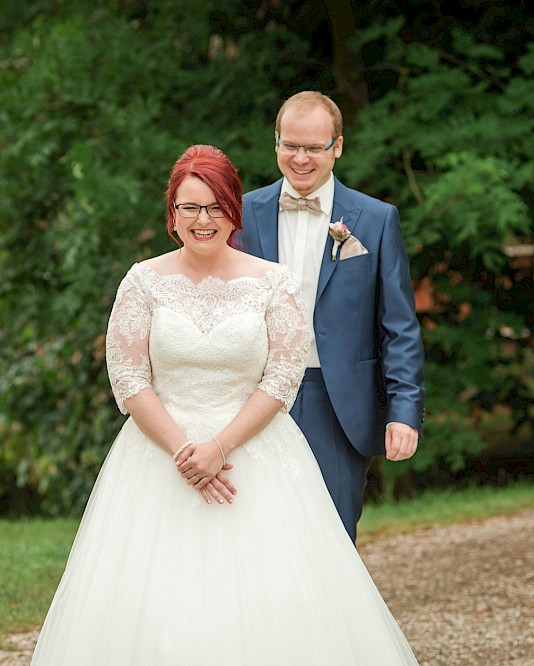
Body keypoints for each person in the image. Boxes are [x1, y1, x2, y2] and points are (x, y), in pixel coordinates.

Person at [29, 145, 418, 665]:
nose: (202, 219)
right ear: (172, 214)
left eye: (214, 206)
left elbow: (281, 378)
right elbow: (128, 378)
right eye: (189, 207)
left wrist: (220, 447)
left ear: (233, 211)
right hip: (159, 455)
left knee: (279, 598)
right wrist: (186, 452)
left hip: (255, 453)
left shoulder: (270, 282)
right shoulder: (142, 281)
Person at [240, 91, 426, 542]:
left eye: (314, 148)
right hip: (249, 401)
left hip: (337, 402)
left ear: (337, 147)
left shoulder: (376, 220)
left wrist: (404, 410)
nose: (301, 158)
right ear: (276, 143)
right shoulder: (240, 213)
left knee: (332, 540)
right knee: (254, 538)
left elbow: (398, 327)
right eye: (290, 145)